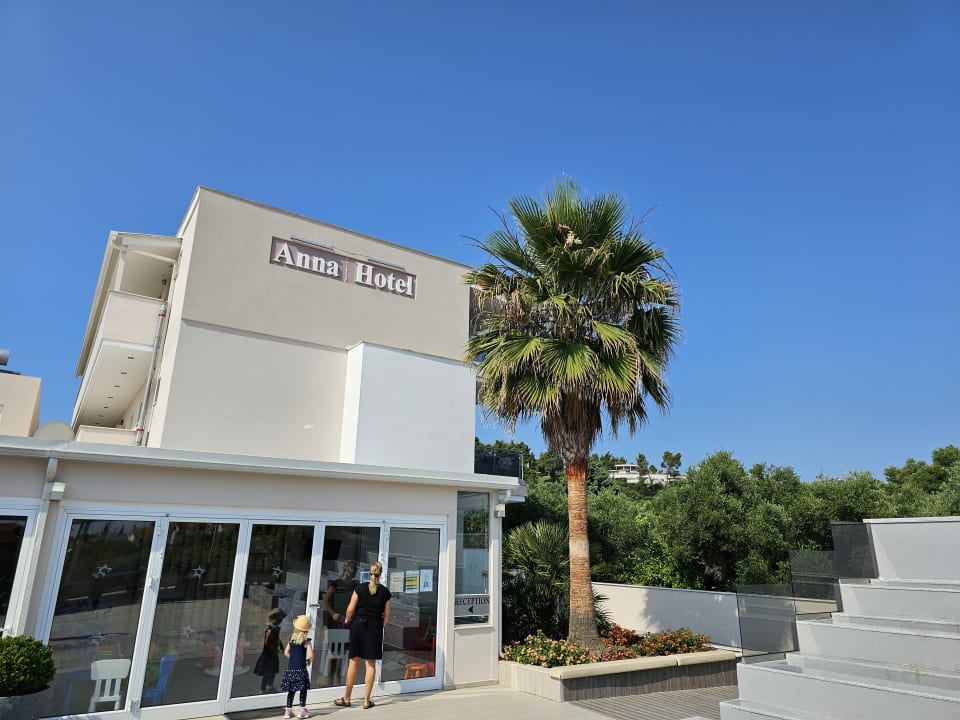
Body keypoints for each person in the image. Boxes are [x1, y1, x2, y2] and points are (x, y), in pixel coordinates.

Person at [334, 561, 391, 710]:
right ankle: (366, 701)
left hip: (358, 626)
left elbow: (350, 609)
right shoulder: (385, 592)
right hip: (375, 627)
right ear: (381, 574)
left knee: (354, 662)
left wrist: (347, 620)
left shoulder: (359, 588)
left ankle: (347, 698)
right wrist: (380, 625)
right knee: (370, 664)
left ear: (369, 572)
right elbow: (386, 616)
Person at [280, 615, 314, 719]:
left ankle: (288, 711)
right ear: (306, 629)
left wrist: (293, 659)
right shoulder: (306, 641)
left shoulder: (291, 639)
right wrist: (308, 661)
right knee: (303, 690)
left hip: (291, 670)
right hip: (301, 670)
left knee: (291, 691)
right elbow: (311, 655)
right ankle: (302, 710)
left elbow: (286, 652)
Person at [254, 608, 284, 693]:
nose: (280, 621)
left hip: (273, 654)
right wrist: (275, 650)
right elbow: (267, 643)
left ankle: (269, 686)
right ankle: (262, 689)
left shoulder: (276, 628)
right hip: (268, 654)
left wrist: (281, 646)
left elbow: (277, 639)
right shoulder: (270, 629)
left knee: (273, 671)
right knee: (267, 672)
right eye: (279, 618)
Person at [323, 560, 358, 628]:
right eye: (352, 569)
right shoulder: (336, 584)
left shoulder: (355, 586)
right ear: (346, 569)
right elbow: (326, 600)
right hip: (339, 620)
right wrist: (333, 614)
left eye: (355, 570)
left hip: (351, 620)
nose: (354, 572)